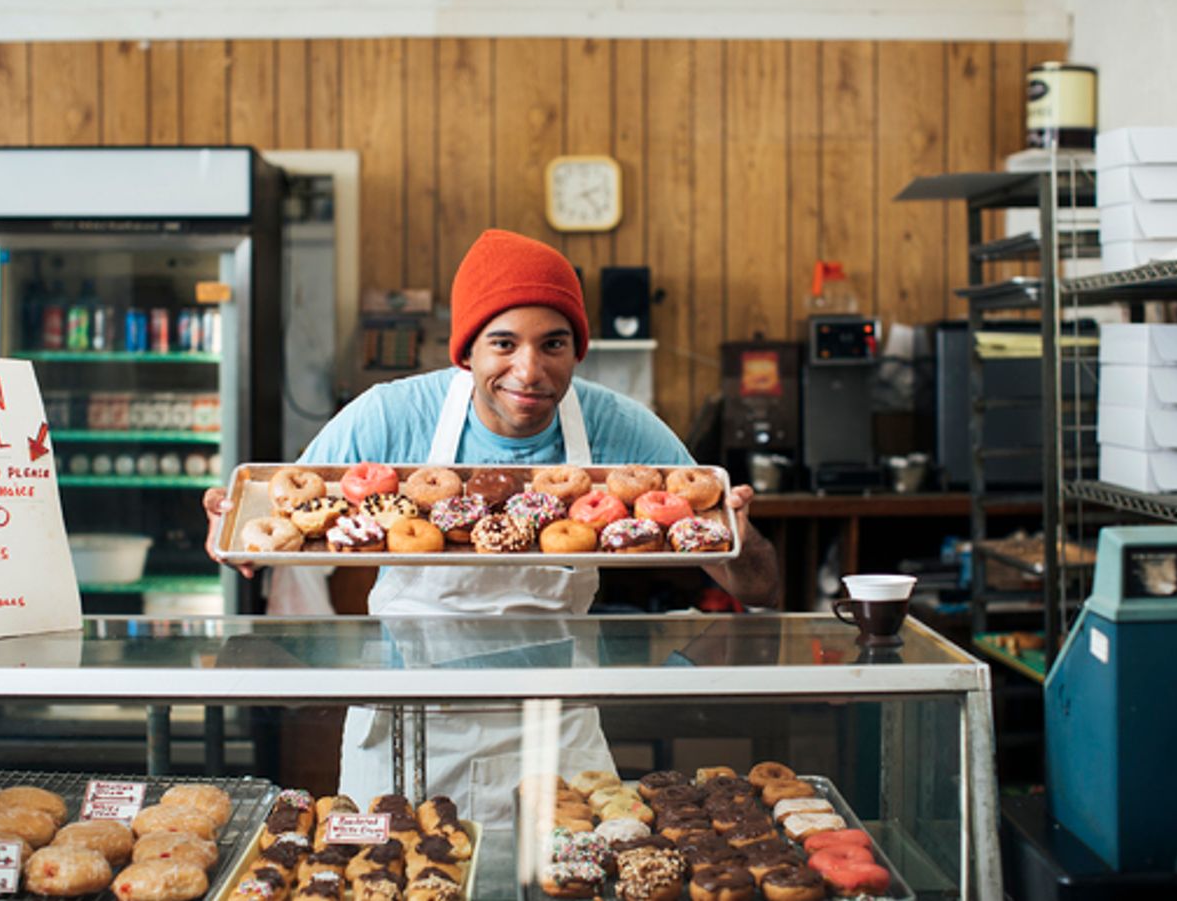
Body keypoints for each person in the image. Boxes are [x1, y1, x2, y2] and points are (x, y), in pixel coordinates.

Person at [204, 228, 778, 823]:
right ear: (467, 351)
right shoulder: (391, 417)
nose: (528, 370)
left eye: (553, 344)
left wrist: (739, 535)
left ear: (577, 351)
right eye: (503, 343)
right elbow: (273, 531)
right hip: (409, 724)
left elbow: (757, 588)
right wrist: (231, 536)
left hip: (553, 729)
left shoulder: (622, 431)